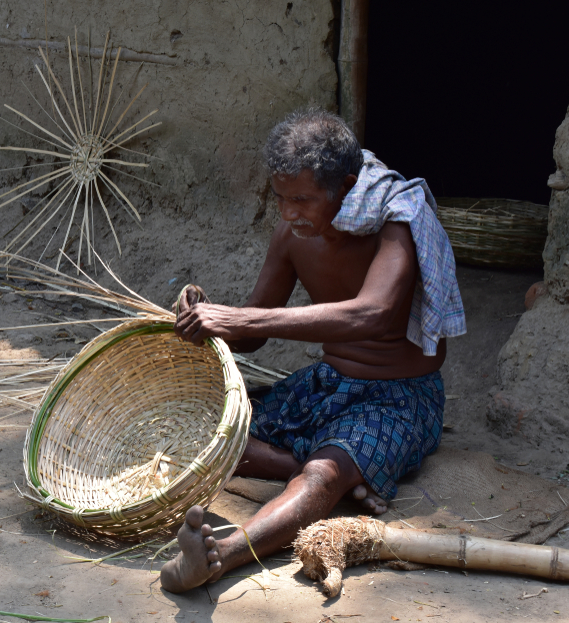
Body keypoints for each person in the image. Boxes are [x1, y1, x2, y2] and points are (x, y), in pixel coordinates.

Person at [160, 107, 466, 593]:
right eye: (280, 198)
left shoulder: (397, 222)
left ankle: (221, 556)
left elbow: (372, 313)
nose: (288, 213)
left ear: (345, 186)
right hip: (327, 384)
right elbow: (254, 332)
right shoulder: (291, 234)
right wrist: (208, 319)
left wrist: (241, 318)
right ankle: (333, 474)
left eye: (302, 199)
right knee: (208, 429)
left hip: (400, 397)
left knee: (322, 475)